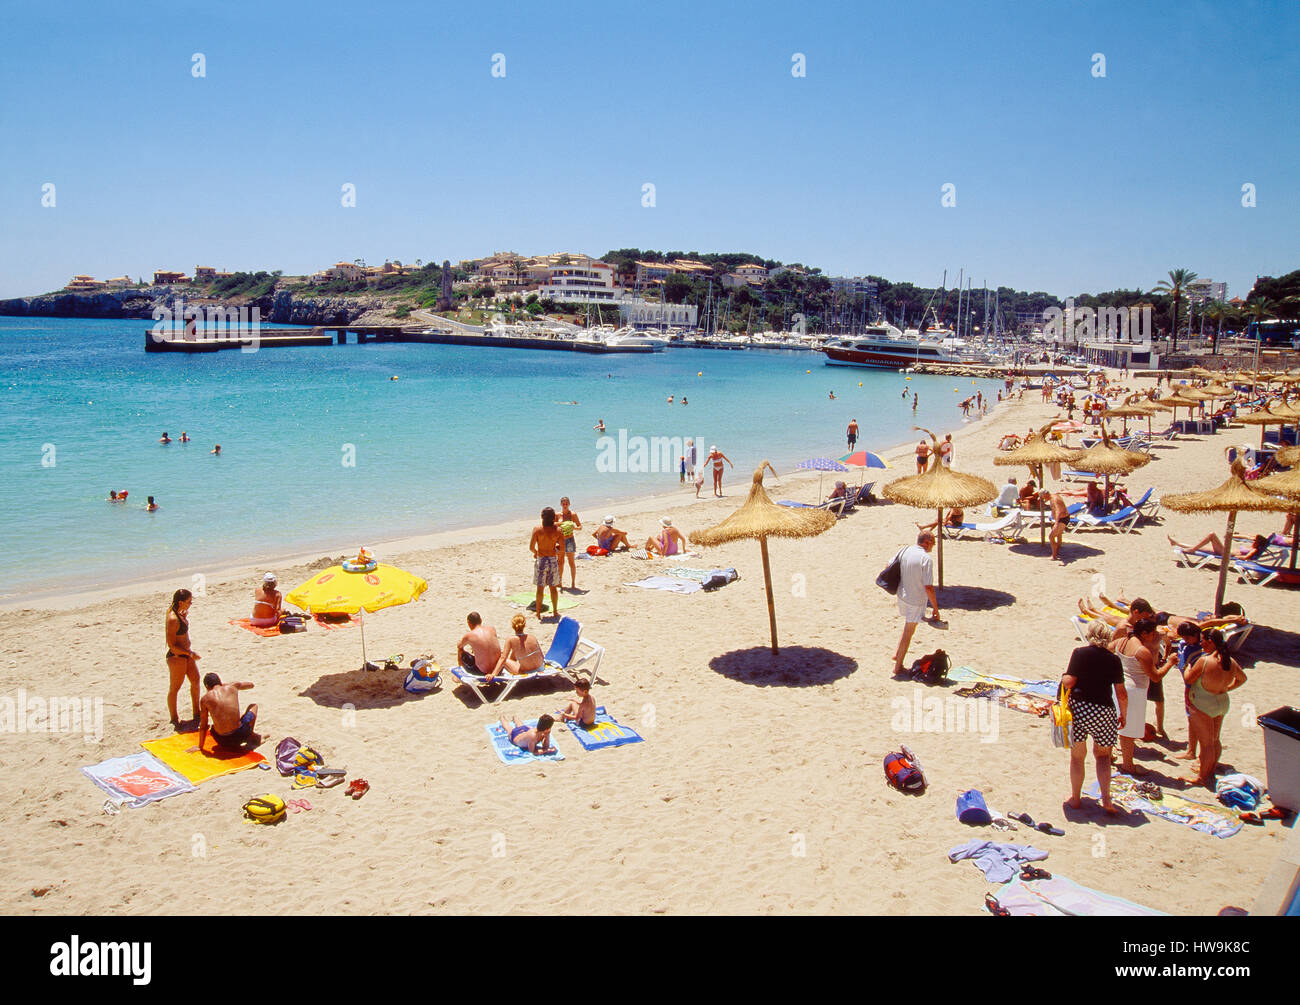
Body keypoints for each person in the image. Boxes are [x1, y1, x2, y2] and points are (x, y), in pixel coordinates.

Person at [1063, 619, 1127, 811]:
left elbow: (1069, 682)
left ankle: (1075, 798)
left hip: (1080, 709)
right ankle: (1106, 799)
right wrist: (1123, 714)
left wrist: (1063, 677)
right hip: (1103, 710)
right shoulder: (1114, 660)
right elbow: (1121, 693)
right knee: (1103, 757)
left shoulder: (1080, 653)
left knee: (1077, 757)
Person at [1183, 629, 1247, 788]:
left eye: (1203, 640)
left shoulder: (1204, 661)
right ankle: (1210, 771)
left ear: (1210, 641)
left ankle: (1202, 777)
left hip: (1203, 703)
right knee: (1215, 740)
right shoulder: (1229, 661)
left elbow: (1189, 679)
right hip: (1221, 702)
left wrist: (1187, 669)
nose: (1200, 643)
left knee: (1206, 744)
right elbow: (1242, 679)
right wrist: (1227, 688)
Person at [1110, 617, 1162, 775]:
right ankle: (1128, 764)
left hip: (1118, 686)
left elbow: (1107, 648)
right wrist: (1170, 662)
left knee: (1116, 724)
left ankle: (1109, 755)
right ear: (1144, 633)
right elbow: (1155, 676)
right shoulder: (1141, 651)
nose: (1154, 636)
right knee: (1128, 730)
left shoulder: (1122, 641)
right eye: (1152, 633)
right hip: (1134, 691)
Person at [891, 531, 943, 676]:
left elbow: (889, 565)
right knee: (909, 632)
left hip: (902, 595)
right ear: (926, 542)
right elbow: (929, 587)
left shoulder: (905, 550)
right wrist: (936, 608)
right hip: (915, 600)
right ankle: (898, 667)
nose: (933, 546)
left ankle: (897, 654)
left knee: (908, 627)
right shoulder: (926, 559)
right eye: (932, 543)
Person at [165, 589, 200, 728]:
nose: (190, 604)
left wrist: (185, 617)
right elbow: (172, 645)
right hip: (177, 657)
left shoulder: (179, 614)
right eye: (189, 602)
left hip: (186, 654)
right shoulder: (172, 619)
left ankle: (196, 712)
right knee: (175, 688)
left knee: (196, 681)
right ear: (180, 602)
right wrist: (190, 654)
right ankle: (174, 718)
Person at [197, 673, 258, 753]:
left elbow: (203, 725)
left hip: (222, 740)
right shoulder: (232, 686)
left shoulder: (204, 699)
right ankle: (250, 735)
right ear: (220, 682)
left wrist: (200, 747)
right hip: (241, 735)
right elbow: (251, 685)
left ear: (207, 687)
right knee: (254, 706)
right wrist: (232, 685)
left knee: (213, 727)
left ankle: (248, 735)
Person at [530, 506, 565, 618]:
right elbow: (562, 548)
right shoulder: (558, 530)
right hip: (552, 559)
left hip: (541, 559)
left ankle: (538, 613)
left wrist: (536, 552)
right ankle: (555, 611)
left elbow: (531, 547)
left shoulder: (537, 529)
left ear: (542, 517)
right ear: (553, 518)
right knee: (553, 587)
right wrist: (554, 549)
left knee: (540, 588)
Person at [488, 614, 544, 683]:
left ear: (512, 626)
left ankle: (495, 671)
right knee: (516, 654)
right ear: (524, 625)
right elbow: (541, 655)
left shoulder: (511, 639)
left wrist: (493, 674)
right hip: (541, 668)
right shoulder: (532, 637)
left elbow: (503, 658)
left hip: (527, 671)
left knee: (502, 658)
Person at [1166, 532, 1270, 561]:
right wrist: (1235, 535)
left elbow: (1245, 557)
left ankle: (1192, 549)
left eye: (1255, 540)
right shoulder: (1253, 546)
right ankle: (1176, 543)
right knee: (1199, 547)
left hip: (1226, 553)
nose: (1253, 540)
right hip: (1224, 551)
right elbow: (1248, 536)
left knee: (1212, 535)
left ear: (1258, 543)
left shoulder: (1254, 549)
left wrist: (1234, 558)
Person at [559, 497, 582, 590]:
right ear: (561, 504)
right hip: (560, 540)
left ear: (569, 504)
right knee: (560, 562)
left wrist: (573, 528)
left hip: (570, 540)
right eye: (563, 504)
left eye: (566, 503)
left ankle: (573, 583)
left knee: (571, 562)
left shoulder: (573, 514)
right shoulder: (558, 515)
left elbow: (580, 526)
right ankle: (559, 582)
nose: (565, 505)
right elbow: (553, 526)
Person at [1044, 490, 1068, 561]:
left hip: (1062, 519)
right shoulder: (1054, 496)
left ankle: (1054, 556)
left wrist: (1056, 523)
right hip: (1064, 518)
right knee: (1058, 535)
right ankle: (1057, 551)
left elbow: (1058, 511)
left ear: (1045, 494)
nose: (1044, 500)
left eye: (1043, 498)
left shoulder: (1054, 499)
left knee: (1051, 537)